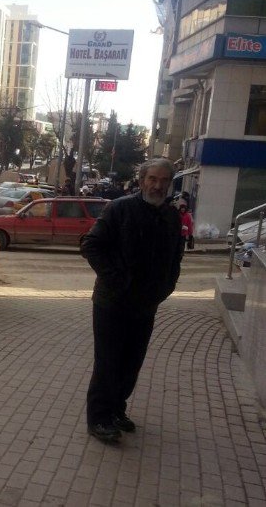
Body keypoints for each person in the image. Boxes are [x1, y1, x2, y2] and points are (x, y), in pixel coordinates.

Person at [80, 158, 184, 444]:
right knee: (108, 362)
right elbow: (91, 245)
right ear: (142, 181)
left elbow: (176, 257)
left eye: (164, 180)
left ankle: (116, 410)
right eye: (153, 179)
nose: (158, 185)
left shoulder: (171, 217)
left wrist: (167, 286)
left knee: (131, 363)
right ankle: (99, 419)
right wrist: (118, 280)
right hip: (112, 303)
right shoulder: (120, 208)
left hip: (146, 304)